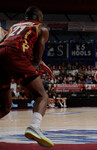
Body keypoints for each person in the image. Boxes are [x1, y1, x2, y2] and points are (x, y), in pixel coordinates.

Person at [0, 6, 54, 147]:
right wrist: (37, 69)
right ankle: (34, 127)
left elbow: (7, 44)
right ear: (38, 18)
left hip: (1, 54)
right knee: (41, 95)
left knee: (5, 107)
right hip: (15, 55)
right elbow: (36, 59)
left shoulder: (14, 26)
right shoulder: (41, 28)